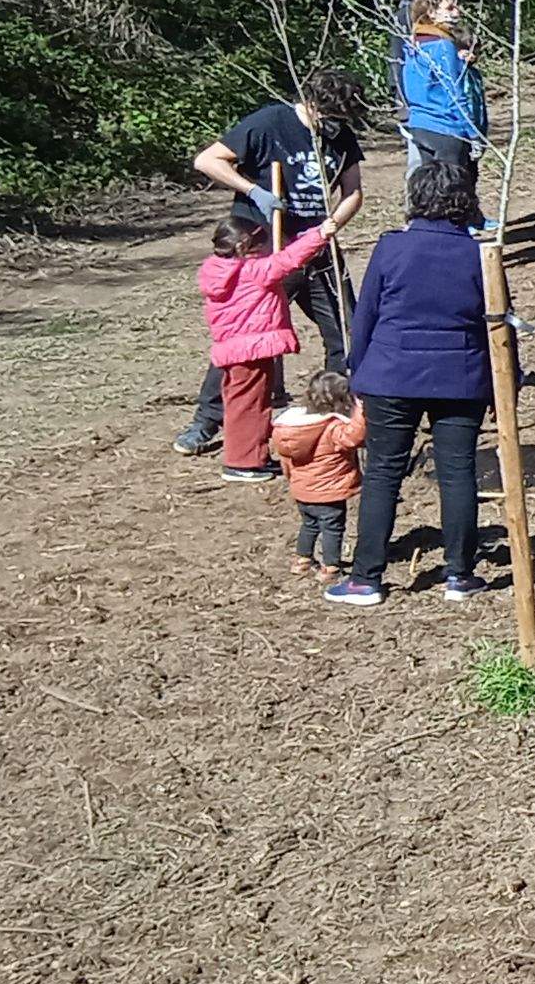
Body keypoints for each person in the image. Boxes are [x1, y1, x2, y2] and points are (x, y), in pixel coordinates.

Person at [329, 161, 499, 606]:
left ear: (416, 199)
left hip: (391, 373)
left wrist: (357, 372)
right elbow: (499, 326)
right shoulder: (480, 254)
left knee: (384, 472)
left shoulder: (391, 249)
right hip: (461, 376)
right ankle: (460, 576)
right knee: (458, 472)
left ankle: (366, 578)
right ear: (465, 201)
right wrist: (507, 384)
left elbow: (364, 317)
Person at [172, 78, 368, 456]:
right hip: (262, 250)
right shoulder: (270, 122)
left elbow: (353, 190)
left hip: (315, 250)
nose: (334, 126)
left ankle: (339, 413)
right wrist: (254, 191)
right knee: (246, 340)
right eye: (328, 117)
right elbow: (207, 160)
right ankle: (206, 421)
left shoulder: (341, 136)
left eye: (341, 119)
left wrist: (330, 227)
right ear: (311, 104)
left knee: (347, 331)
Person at [196, 206, 345, 482]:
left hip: (234, 349)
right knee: (251, 406)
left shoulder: (216, 271)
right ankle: (244, 462)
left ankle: (251, 456)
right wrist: (320, 233)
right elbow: (289, 260)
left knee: (240, 404)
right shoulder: (253, 271)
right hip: (252, 351)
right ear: (245, 246)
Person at [268, 371, 366, 579]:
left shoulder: (291, 428)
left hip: (302, 489)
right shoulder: (331, 428)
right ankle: (330, 566)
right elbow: (355, 437)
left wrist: (292, 480)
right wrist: (361, 409)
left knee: (310, 524)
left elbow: (286, 461)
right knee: (332, 527)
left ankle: (302, 560)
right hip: (329, 491)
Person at [397, 0, 488, 176]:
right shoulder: (443, 46)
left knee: (430, 188)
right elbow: (456, 94)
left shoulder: (413, 45)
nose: (456, 12)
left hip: (420, 126)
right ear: (431, 13)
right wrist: (474, 134)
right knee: (452, 191)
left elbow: (409, 88)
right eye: (449, 8)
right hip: (446, 128)